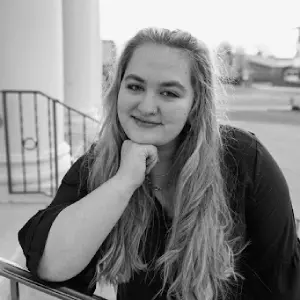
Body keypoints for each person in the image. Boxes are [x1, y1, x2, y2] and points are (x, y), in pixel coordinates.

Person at [18, 28, 300, 300]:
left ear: (195, 104)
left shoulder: (244, 159)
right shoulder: (100, 164)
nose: (146, 106)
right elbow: (51, 265)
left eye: (169, 93)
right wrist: (124, 182)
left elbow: (284, 284)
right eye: (135, 86)